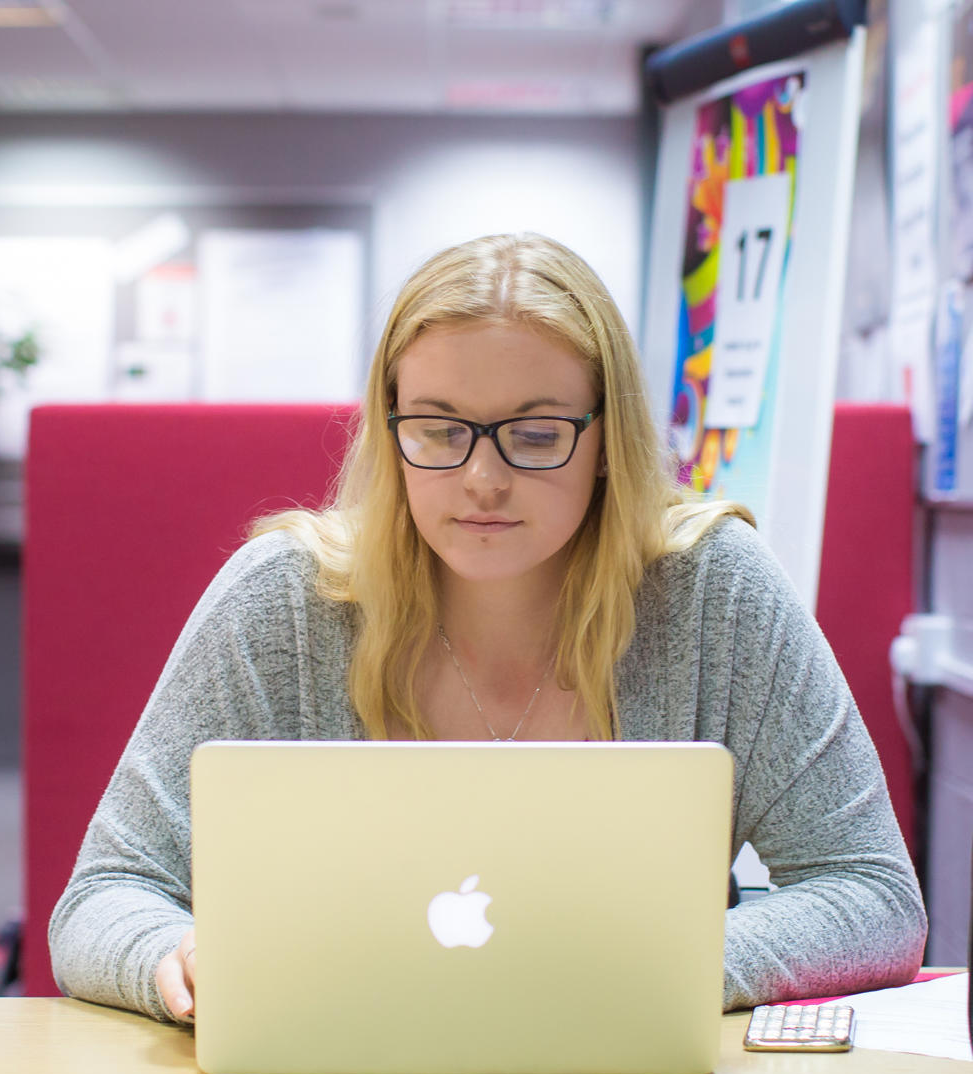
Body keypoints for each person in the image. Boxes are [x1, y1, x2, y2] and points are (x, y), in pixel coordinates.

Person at [49, 232, 927, 1025]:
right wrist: (169, 959)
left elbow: (873, 893)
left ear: (608, 437)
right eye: (438, 431)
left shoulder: (711, 591)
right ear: (391, 428)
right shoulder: (286, 600)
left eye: (536, 436)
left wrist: (664, 972)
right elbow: (106, 895)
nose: (482, 479)